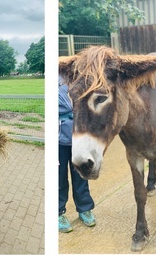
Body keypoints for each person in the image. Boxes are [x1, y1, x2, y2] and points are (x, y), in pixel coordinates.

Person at [59, 77, 96, 233]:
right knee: (59, 178)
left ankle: (84, 208)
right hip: (59, 139)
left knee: (81, 174)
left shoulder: (77, 80)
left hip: (79, 137)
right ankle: (59, 212)